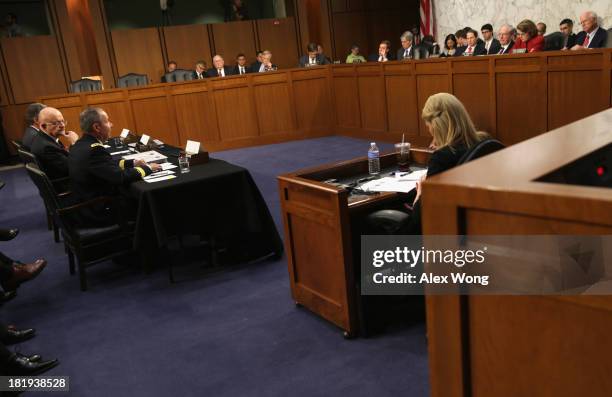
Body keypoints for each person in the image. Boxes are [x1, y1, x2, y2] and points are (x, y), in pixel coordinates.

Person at [399, 93, 489, 234]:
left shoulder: (442, 158)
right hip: (477, 228)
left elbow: (419, 223)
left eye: (428, 126)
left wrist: (420, 195)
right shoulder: (483, 144)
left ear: (435, 126)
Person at [68, 108, 160, 226]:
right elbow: (119, 177)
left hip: (85, 203)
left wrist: (131, 163)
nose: (111, 125)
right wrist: (148, 168)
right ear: (97, 127)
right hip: (99, 210)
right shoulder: (95, 149)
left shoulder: (80, 144)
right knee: (147, 202)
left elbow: (105, 165)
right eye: (107, 121)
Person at [31, 107, 79, 180]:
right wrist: (74, 143)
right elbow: (72, 168)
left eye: (63, 121)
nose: (62, 125)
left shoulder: (45, 138)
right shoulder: (47, 147)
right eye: (55, 123)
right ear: (43, 126)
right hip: (66, 183)